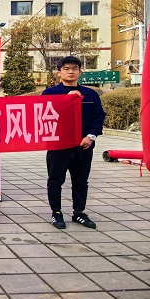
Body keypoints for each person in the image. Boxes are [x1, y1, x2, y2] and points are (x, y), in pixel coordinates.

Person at [43, 56, 106, 230]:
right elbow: (43, 116)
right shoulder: (50, 94)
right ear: (59, 73)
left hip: (83, 145)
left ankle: (79, 212)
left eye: (74, 69)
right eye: (66, 69)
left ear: (80, 72)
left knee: (81, 181)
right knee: (55, 180)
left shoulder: (91, 94)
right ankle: (56, 212)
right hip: (58, 146)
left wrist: (91, 136)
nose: (70, 72)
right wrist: (66, 100)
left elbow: (99, 116)